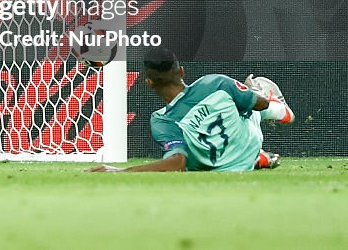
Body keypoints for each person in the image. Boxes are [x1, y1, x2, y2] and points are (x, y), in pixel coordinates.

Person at [90, 49, 294, 173]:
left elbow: (178, 162)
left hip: (224, 166)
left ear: (149, 83)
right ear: (181, 71)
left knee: (187, 152)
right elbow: (259, 104)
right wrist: (255, 97)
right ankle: (274, 106)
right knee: (247, 102)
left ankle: (260, 152)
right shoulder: (215, 82)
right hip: (248, 142)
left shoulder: (161, 120)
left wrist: (121, 171)